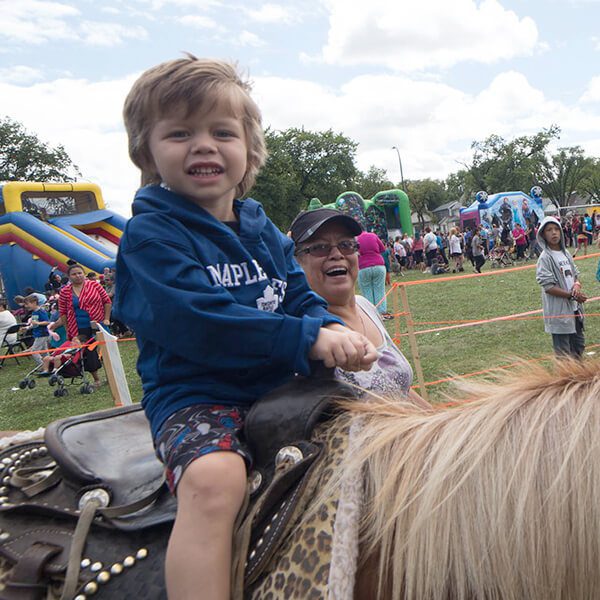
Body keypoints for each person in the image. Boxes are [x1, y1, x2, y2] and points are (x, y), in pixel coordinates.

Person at [110, 56, 378, 600]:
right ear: (148, 150)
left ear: (249, 151)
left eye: (222, 132)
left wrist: (328, 325)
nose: (203, 145)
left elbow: (298, 294)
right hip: (199, 395)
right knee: (215, 483)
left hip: (281, 387)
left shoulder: (261, 228)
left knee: (382, 436)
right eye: (180, 133)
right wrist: (306, 338)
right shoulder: (149, 238)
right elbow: (201, 323)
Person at [290, 208, 429, 405]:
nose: (336, 254)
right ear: (294, 261)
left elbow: (398, 388)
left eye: (346, 245)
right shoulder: (306, 332)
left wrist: (438, 419)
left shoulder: (366, 307)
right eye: (320, 247)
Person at [49, 263, 111, 387]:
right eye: (74, 274)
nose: (77, 276)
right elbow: (63, 312)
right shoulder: (65, 291)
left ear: (84, 274)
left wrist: (106, 319)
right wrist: (67, 330)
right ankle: (96, 379)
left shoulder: (95, 285)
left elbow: (107, 301)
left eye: (79, 273)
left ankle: (112, 377)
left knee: (106, 350)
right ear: (69, 276)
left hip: (98, 323)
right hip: (78, 326)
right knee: (88, 352)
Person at [535, 216, 587, 358]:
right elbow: (548, 286)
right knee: (564, 353)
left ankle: (578, 378)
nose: (554, 233)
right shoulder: (545, 258)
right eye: (549, 230)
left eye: (556, 229)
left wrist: (576, 285)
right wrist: (572, 295)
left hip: (575, 308)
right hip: (559, 311)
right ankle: (565, 380)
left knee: (579, 346)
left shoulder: (566, 253)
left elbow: (575, 274)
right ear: (543, 234)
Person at [356, 229, 389, 318]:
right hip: (378, 265)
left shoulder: (356, 239)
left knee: (366, 291)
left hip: (363, 266)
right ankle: (381, 312)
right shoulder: (373, 235)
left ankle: (370, 313)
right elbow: (383, 249)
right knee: (380, 290)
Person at [20, 294, 50, 367]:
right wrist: (27, 328)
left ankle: (42, 366)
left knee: (34, 351)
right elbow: (34, 324)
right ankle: (49, 365)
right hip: (37, 334)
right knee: (44, 352)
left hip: (42, 334)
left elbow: (47, 322)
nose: (26, 306)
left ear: (34, 302)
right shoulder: (34, 312)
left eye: (27, 304)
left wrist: (38, 323)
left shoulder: (41, 311)